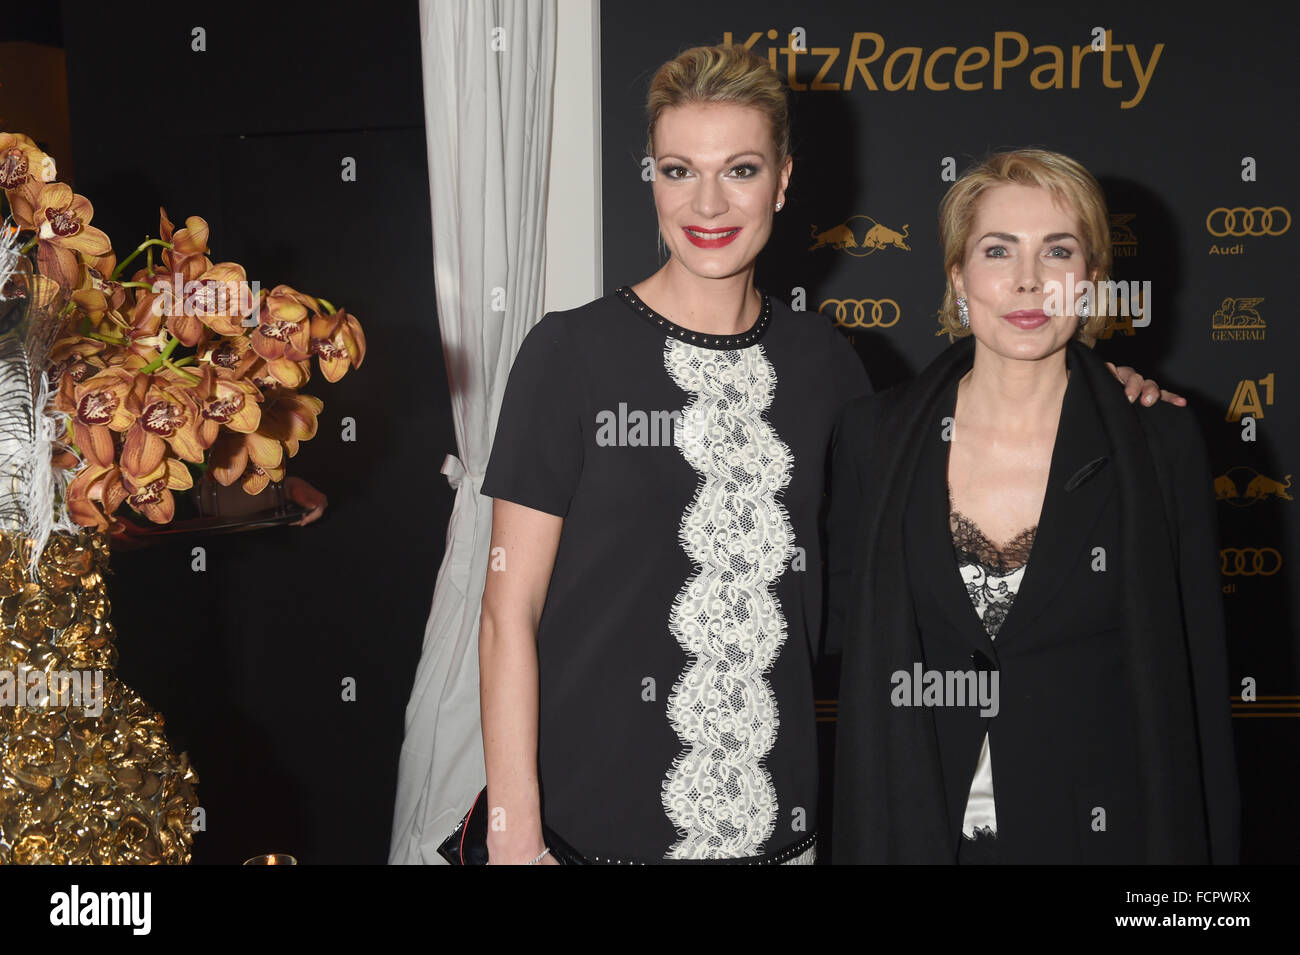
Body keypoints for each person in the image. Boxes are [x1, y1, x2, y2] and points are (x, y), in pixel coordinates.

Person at [479, 47, 1170, 866]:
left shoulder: (828, 362)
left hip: (786, 832)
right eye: (677, 170)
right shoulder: (569, 352)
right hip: (587, 833)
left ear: (782, 180)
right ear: (652, 179)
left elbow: (932, 502)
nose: (707, 202)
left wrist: (1097, 389)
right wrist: (516, 836)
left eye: (740, 169)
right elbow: (504, 615)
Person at [826, 149, 1239, 864]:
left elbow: (1196, 682)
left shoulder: (1155, 441)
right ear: (958, 277)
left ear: (1093, 281)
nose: (1027, 280)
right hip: (919, 828)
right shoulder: (875, 437)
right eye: (997, 250)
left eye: (1058, 251)